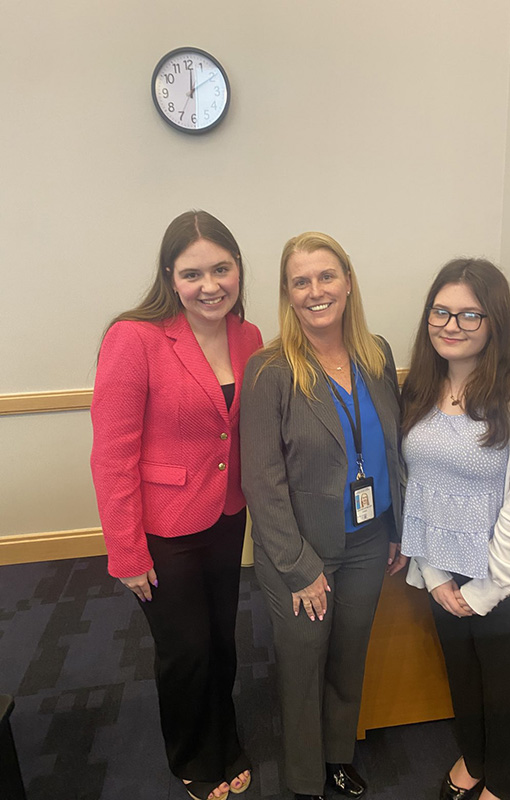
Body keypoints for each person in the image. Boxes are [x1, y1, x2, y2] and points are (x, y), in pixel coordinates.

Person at [90, 210, 262, 800]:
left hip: (226, 513)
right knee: (185, 649)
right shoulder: (134, 337)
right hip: (162, 527)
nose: (210, 284)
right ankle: (193, 756)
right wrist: (126, 552)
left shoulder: (248, 336)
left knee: (221, 639)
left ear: (239, 269)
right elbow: (112, 455)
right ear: (170, 276)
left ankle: (226, 737)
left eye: (222, 268)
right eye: (193, 274)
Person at [397, 258, 510, 800]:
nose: (451, 325)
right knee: (468, 680)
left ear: (495, 320)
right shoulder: (423, 386)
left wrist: (485, 590)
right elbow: (416, 485)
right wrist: (433, 574)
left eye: (469, 315)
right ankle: (475, 758)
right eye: (441, 312)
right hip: (444, 567)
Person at [240, 232, 406, 800]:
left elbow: (392, 446)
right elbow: (261, 481)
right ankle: (306, 779)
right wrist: (297, 565)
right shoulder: (270, 371)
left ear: (348, 281)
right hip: (301, 548)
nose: (316, 291)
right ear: (288, 295)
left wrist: (396, 528)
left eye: (326, 276)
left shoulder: (376, 353)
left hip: (368, 539)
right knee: (303, 663)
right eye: (301, 281)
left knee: (348, 653)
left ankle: (339, 755)